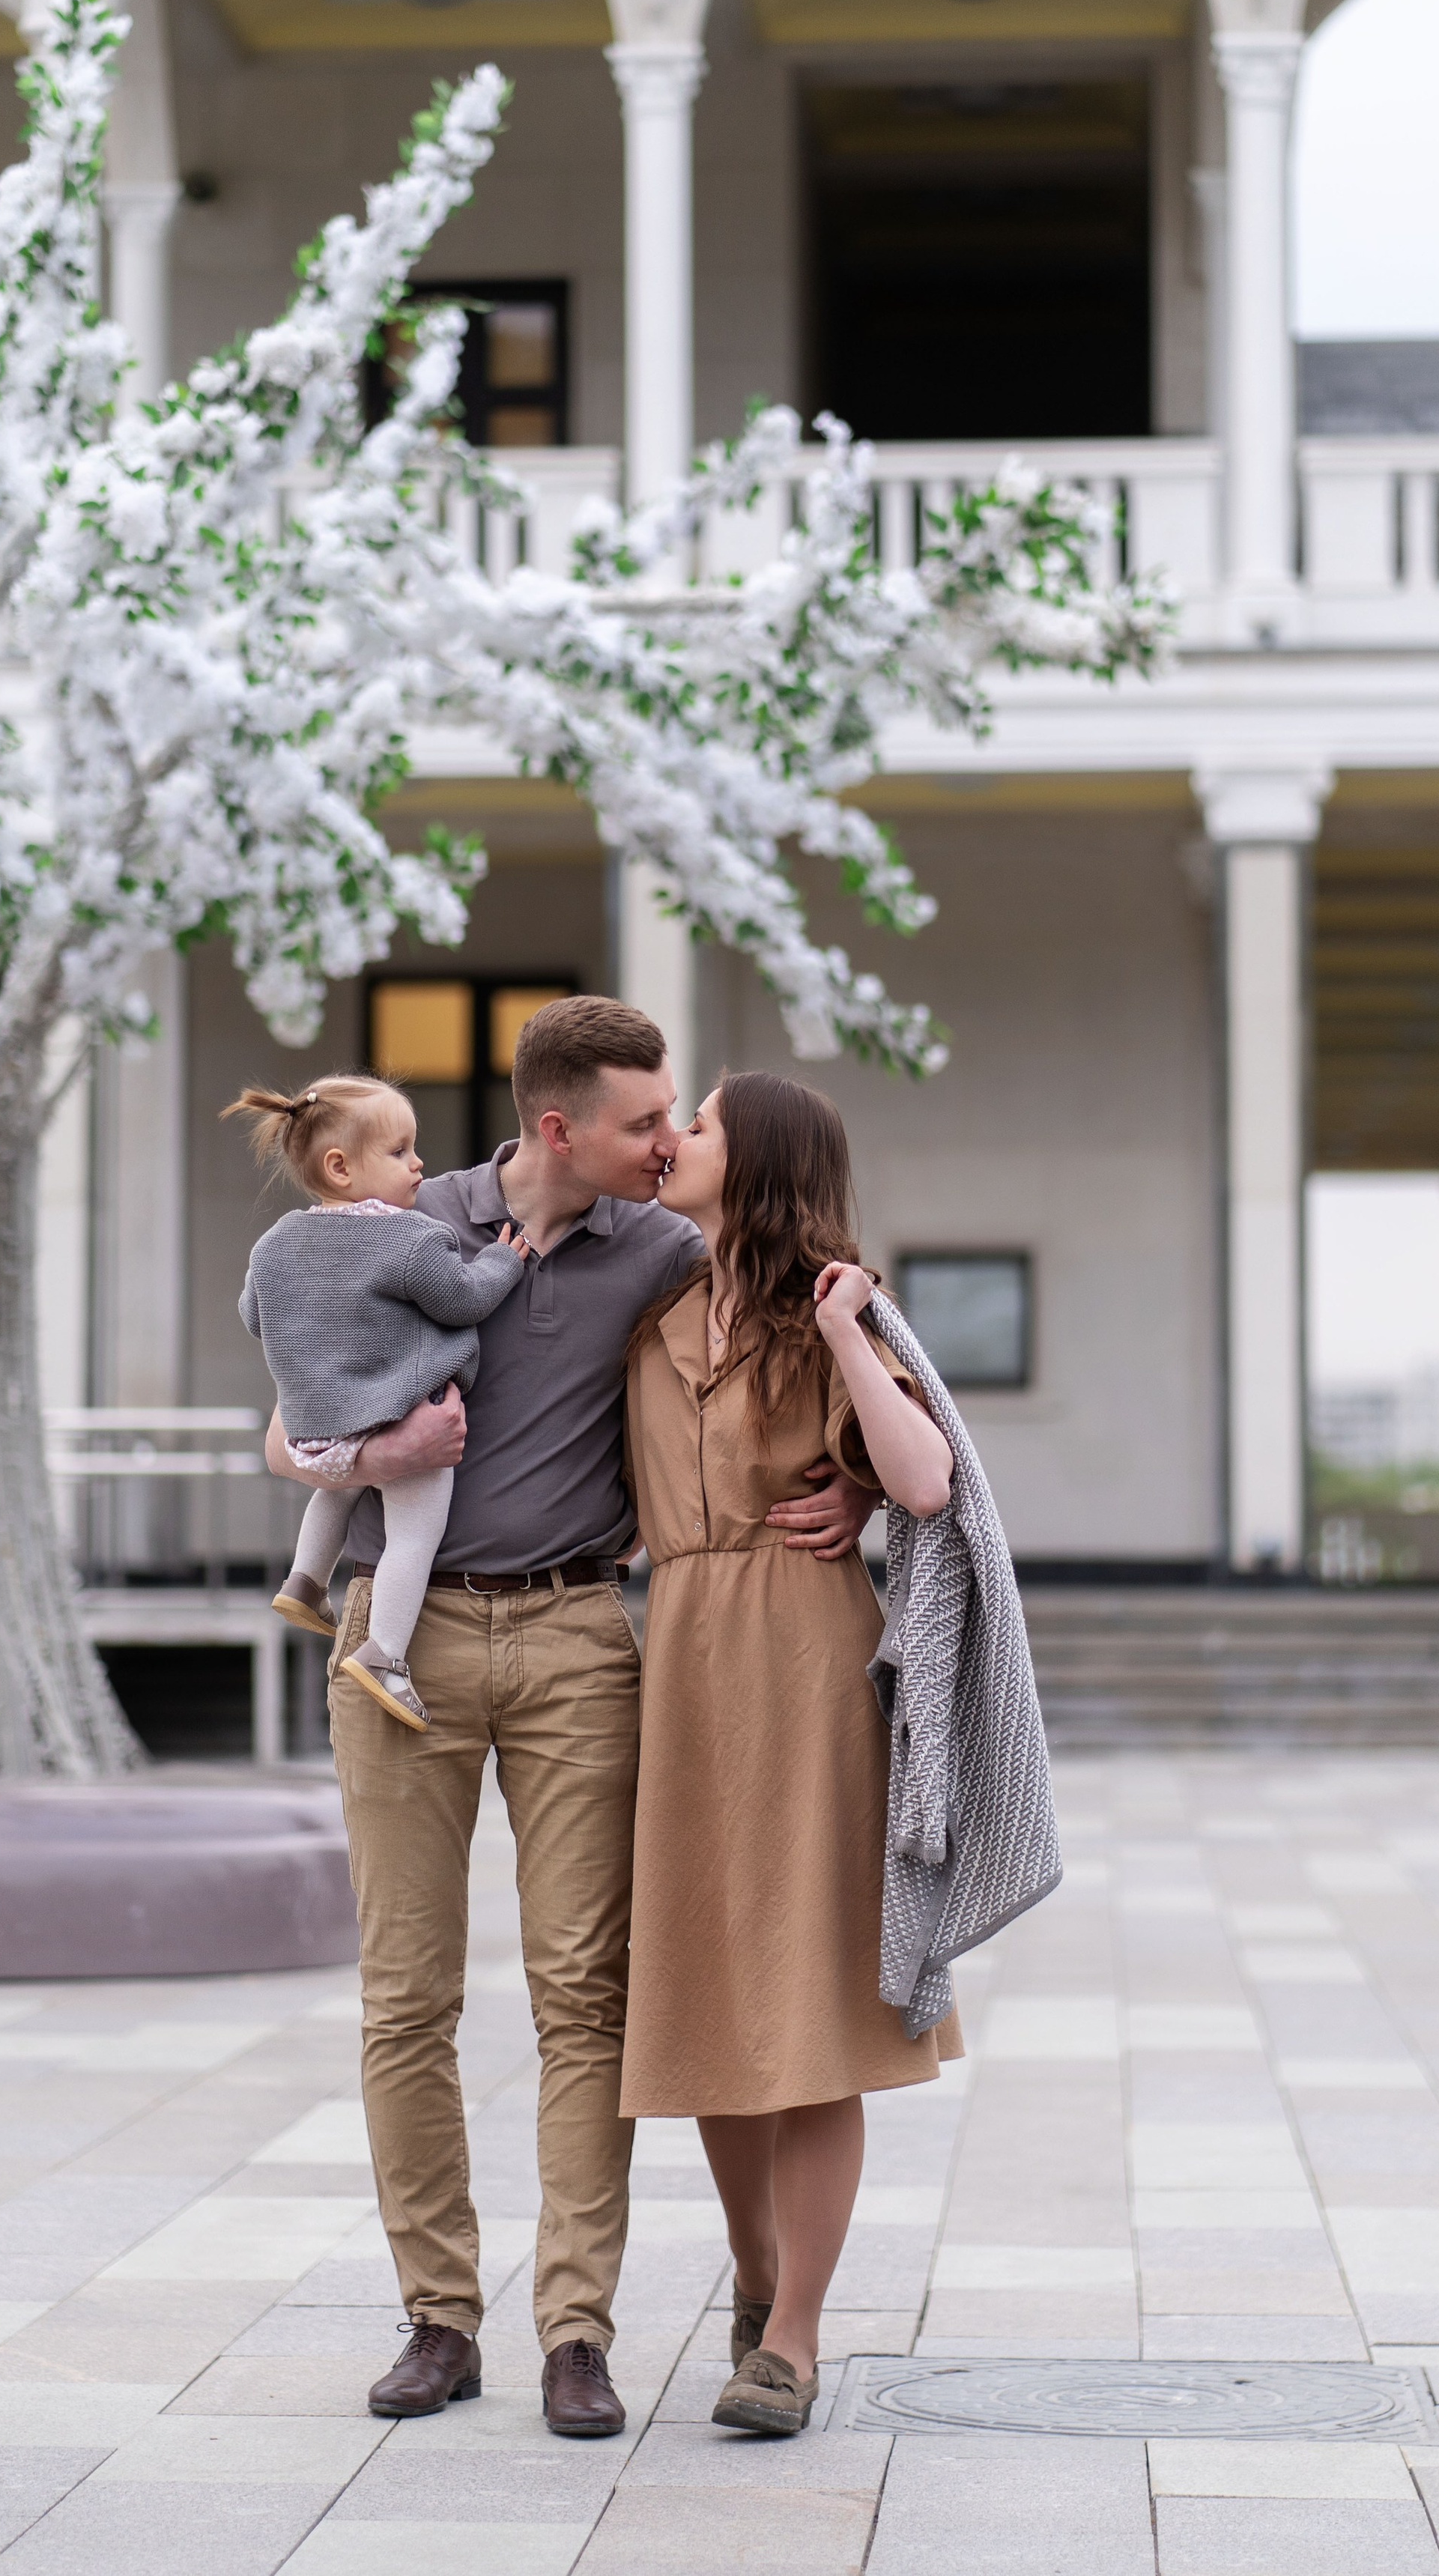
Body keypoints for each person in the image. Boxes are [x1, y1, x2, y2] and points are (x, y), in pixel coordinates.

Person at [262, 998, 875, 2440]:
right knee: (407, 1996)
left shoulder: (665, 1253)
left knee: (585, 1999)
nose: (669, 1142)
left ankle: (576, 2331)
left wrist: (846, 1477)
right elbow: (287, 1412)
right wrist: (342, 1444)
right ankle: (437, 2317)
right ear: (560, 1129)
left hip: (579, 1637)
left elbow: (798, 1322)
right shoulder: (405, 1216)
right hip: (392, 1637)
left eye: (680, 1120)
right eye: (646, 1121)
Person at [621, 1070, 963, 2438]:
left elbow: (926, 1481)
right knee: (710, 2000)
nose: (671, 1142)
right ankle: (758, 2279)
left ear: (753, 1160)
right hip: (687, 1666)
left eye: (694, 1125)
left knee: (816, 2017)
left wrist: (846, 1341)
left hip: (813, 1675)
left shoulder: (836, 1314)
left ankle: (800, 2341)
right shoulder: (646, 1319)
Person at [225, 1075, 530, 1732]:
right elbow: (462, 1300)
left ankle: (305, 1581)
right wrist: (504, 1264)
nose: (418, 1163)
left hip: (318, 1423)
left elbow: (255, 1314)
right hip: (400, 1414)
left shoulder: (275, 1242)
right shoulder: (409, 1239)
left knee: (338, 1488)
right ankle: (386, 1654)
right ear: (340, 1167)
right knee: (413, 1538)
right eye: (399, 1152)